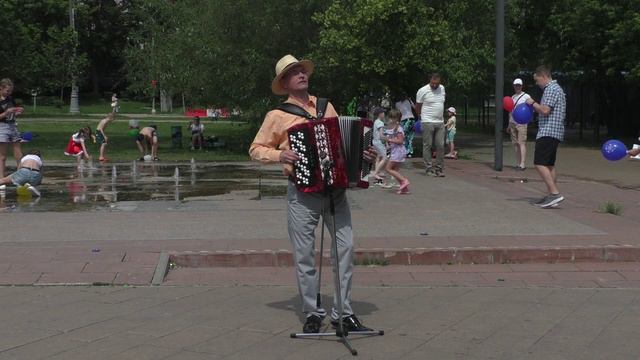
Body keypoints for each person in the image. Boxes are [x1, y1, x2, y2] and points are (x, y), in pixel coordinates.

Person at [249, 54, 375, 334]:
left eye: (302, 70)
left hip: (336, 192)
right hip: (302, 192)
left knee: (345, 247)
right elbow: (255, 149)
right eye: (294, 73)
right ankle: (312, 312)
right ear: (285, 82)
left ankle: (344, 312)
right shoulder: (277, 116)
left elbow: (343, 140)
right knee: (304, 254)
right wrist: (280, 153)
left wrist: (363, 155)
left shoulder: (325, 106)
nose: (301, 75)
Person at [526, 66, 566, 208]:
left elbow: (545, 110)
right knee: (549, 165)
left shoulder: (551, 89)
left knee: (539, 163)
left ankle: (554, 193)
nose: (537, 84)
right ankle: (552, 196)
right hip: (554, 132)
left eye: (537, 81)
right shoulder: (556, 89)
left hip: (548, 131)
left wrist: (533, 103)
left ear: (543, 76)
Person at [416, 73, 446, 177]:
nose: (434, 86)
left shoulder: (442, 89)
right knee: (427, 145)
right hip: (427, 121)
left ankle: (439, 168)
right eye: (432, 83)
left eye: (436, 84)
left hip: (440, 121)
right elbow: (418, 105)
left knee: (440, 145)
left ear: (440, 82)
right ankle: (428, 168)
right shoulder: (423, 90)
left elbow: (441, 102)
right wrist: (420, 117)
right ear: (430, 81)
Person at [0, 78, 24, 188]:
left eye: (10, 91)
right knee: (2, 156)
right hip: (2, 127)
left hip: (13, 126)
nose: (9, 93)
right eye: (7, 91)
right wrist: (6, 113)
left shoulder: (10, 99)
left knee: (18, 155)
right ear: (1, 88)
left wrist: (17, 112)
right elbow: (3, 115)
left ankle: (20, 177)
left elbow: (12, 113)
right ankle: (1, 179)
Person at [382, 109, 410, 194]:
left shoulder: (399, 129)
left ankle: (404, 180)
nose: (390, 119)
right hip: (395, 151)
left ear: (396, 119)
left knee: (388, 168)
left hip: (398, 151)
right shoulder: (393, 128)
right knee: (395, 170)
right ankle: (404, 187)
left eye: (392, 118)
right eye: (390, 117)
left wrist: (389, 139)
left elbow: (400, 141)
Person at [507, 78, 532, 170]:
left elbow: (531, 107)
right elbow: (510, 111)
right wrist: (509, 124)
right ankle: (517, 163)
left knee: (521, 142)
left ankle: (522, 164)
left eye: (519, 85)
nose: (517, 87)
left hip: (522, 123)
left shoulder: (526, 96)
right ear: (513, 86)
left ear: (522, 86)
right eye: (516, 85)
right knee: (515, 144)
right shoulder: (512, 97)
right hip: (513, 122)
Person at [371, 107, 389, 185]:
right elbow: (381, 135)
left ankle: (377, 172)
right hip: (379, 142)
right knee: (384, 158)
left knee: (378, 158)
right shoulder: (380, 123)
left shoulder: (375, 121)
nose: (384, 114)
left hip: (375, 141)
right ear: (380, 114)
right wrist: (388, 139)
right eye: (383, 113)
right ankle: (375, 173)